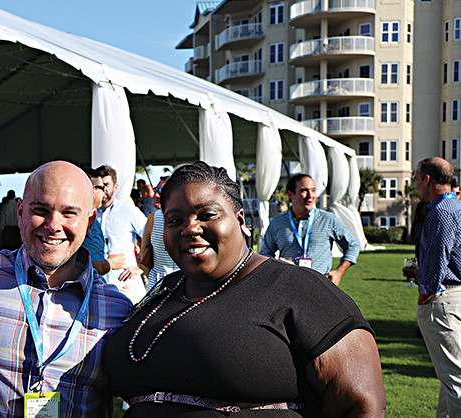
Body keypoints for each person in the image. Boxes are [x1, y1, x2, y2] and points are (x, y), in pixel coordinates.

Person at [102, 162, 386, 416]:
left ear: (240, 221)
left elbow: (360, 404)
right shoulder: (165, 290)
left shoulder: (298, 288)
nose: (190, 228)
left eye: (207, 214)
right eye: (175, 220)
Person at [0, 161, 133, 417]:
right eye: (41, 209)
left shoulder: (117, 312)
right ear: (20, 211)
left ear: (89, 222)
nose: (53, 225)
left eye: (69, 213)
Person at [404, 157, 461, 417]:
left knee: (455, 379)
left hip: (442, 301)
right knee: (448, 377)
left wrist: (424, 292)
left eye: (416, 179)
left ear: (427, 180)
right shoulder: (454, 207)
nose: (415, 185)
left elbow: (439, 255)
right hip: (451, 295)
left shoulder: (442, 210)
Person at [259, 173, 360, 286]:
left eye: (313, 190)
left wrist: (339, 272)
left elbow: (352, 246)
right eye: (304, 191)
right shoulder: (276, 223)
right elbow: (265, 254)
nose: (310, 195)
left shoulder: (329, 220)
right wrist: (279, 264)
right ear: (290, 195)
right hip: (287, 287)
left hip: (321, 287)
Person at [93, 165, 146, 303]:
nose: (103, 189)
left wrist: (141, 268)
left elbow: (152, 237)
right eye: (99, 185)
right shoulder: (89, 214)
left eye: (106, 185)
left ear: (115, 187)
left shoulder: (129, 211)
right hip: (96, 285)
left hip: (124, 285)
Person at [138, 176, 178, 290]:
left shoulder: (153, 218)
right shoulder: (152, 219)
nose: (156, 195)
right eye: (155, 190)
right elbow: (144, 259)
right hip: (160, 286)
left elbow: (144, 262)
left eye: (161, 191)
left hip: (162, 287)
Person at [82, 169, 125, 276]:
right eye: (102, 187)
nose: (105, 191)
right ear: (93, 190)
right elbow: (97, 268)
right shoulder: (89, 219)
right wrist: (113, 262)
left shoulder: (79, 216)